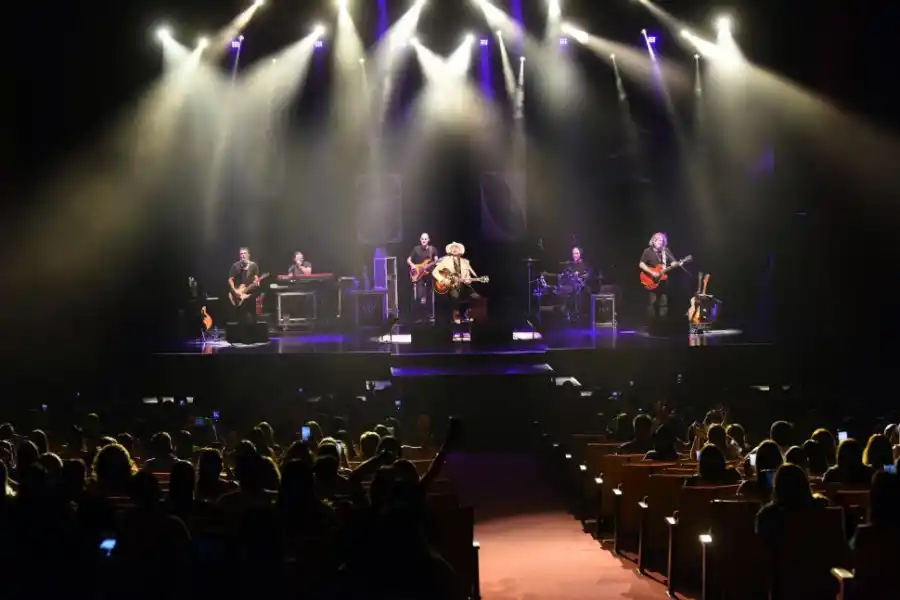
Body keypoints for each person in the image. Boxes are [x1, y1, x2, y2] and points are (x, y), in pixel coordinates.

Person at [638, 232, 682, 327]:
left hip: (663, 282)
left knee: (663, 303)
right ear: (653, 241)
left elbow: (673, 262)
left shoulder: (666, 251)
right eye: (658, 240)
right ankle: (652, 325)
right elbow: (641, 264)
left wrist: (675, 264)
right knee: (652, 303)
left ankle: (662, 325)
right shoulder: (647, 251)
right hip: (650, 281)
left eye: (662, 241)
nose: (660, 242)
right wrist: (652, 272)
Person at [433, 241, 480, 324]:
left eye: (456, 248)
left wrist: (468, 280)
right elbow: (435, 272)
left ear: (460, 251)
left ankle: (470, 314)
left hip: (463, 285)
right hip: (451, 286)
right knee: (455, 295)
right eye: (453, 248)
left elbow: (468, 277)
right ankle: (456, 314)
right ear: (450, 250)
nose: (454, 249)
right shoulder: (445, 261)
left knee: (475, 296)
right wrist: (443, 280)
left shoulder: (466, 262)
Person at [407, 233, 439, 322]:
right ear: (420, 240)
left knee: (429, 295)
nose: (424, 240)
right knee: (420, 296)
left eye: (425, 239)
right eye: (422, 239)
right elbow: (408, 259)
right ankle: (420, 316)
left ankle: (428, 316)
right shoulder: (416, 249)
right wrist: (413, 265)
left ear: (428, 240)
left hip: (429, 274)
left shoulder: (433, 249)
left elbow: (437, 260)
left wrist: (436, 262)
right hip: (419, 275)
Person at [228, 247, 261, 326]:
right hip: (239, 293)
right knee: (241, 316)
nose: (243, 255)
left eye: (244, 253)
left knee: (253, 315)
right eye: (241, 254)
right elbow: (230, 279)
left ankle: (254, 333)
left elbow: (256, 278)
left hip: (250, 294)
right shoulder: (235, 266)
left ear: (248, 255)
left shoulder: (253, 265)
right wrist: (235, 290)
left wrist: (257, 282)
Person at [562, 246, 596, 322]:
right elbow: (565, 277)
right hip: (572, 288)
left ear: (580, 254)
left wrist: (580, 275)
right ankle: (568, 313)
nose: (575, 255)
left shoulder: (585, 265)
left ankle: (579, 314)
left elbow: (589, 275)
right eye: (573, 253)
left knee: (580, 291)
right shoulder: (570, 265)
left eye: (577, 253)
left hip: (583, 288)